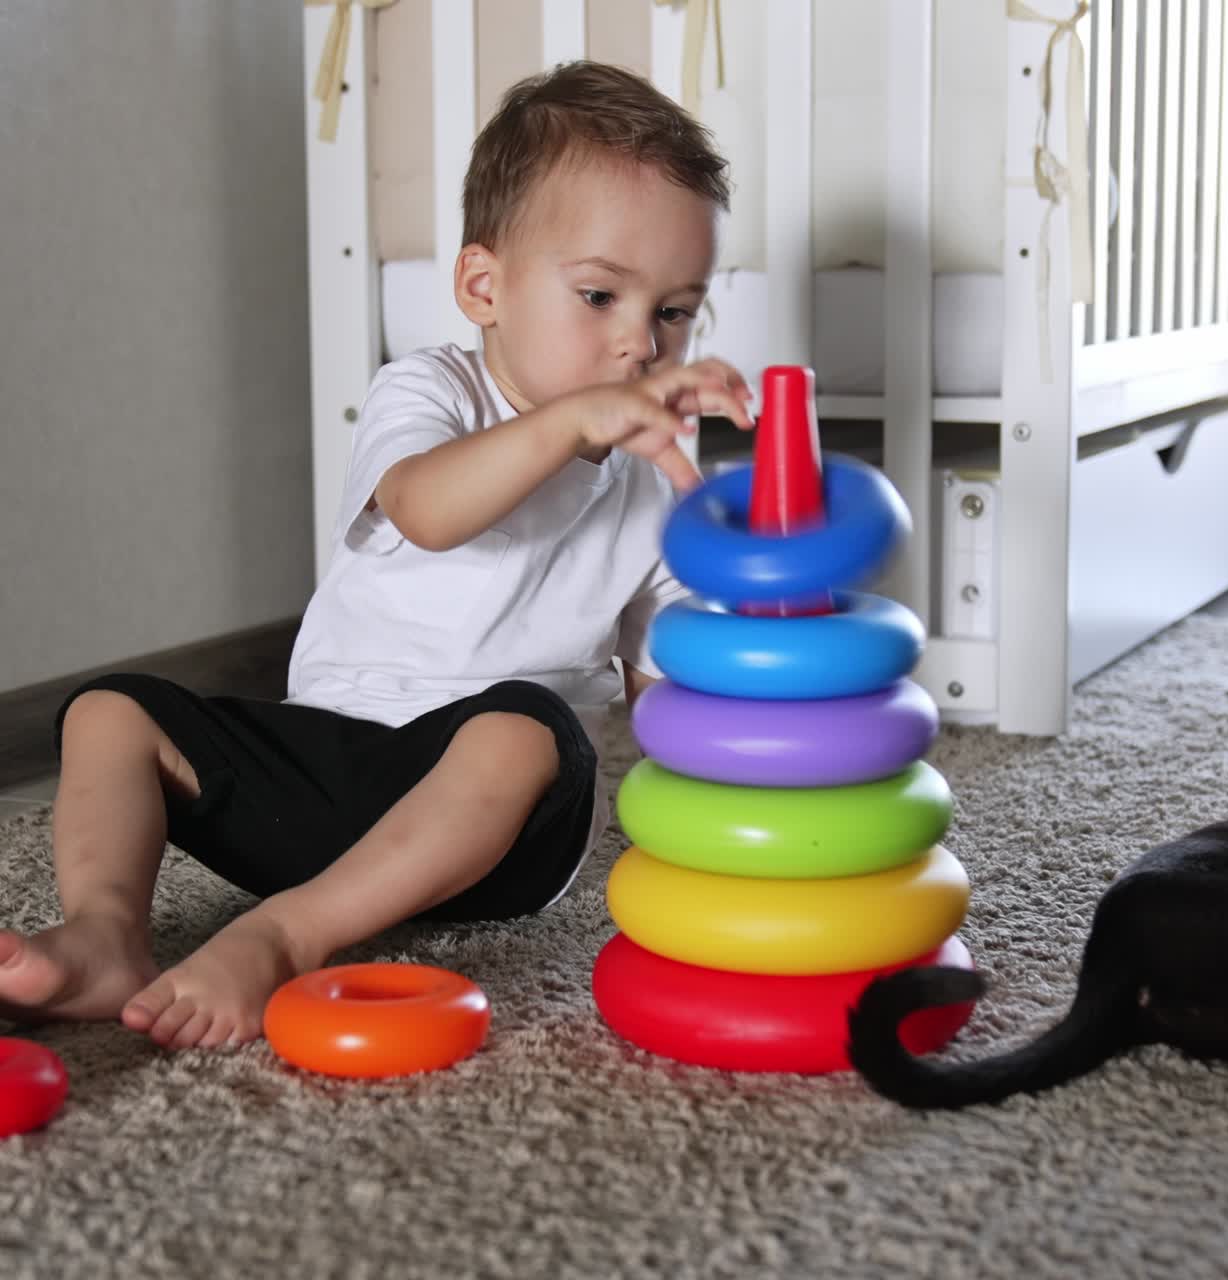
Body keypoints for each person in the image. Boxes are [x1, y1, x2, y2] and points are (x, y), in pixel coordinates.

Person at [0, 61, 752, 1050]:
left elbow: (665, 698)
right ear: (483, 285)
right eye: (600, 295)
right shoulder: (426, 392)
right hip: (323, 779)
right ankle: (104, 930)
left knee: (529, 727)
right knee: (109, 709)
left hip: (498, 826)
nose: (639, 345)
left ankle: (284, 932)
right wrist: (573, 420)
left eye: (672, 311)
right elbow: (430, 508)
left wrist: (749, 677)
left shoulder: (656, 485)